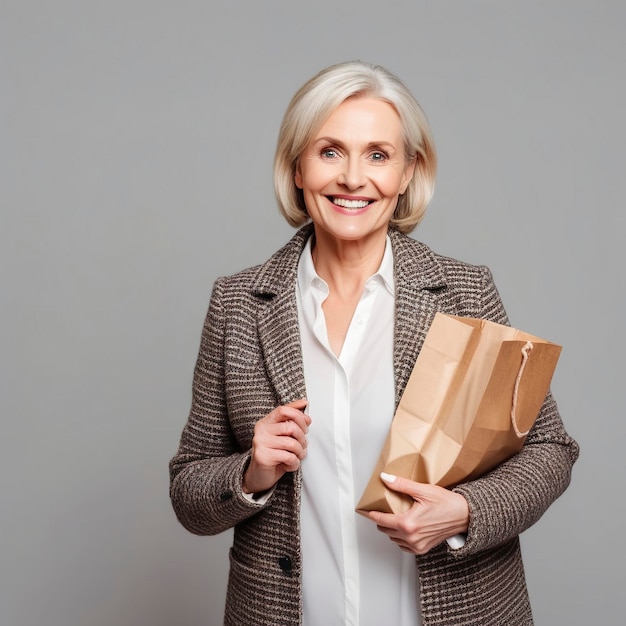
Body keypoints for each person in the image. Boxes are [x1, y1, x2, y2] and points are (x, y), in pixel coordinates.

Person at [169, 61, 579, 626]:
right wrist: (249, 473)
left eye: (378, 155)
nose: (353, 178)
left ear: (409, 171)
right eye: (330, 151)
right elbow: (189, 489)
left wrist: (463, 512)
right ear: (297, 168)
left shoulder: (463, 291)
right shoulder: (238, 304)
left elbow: (551, 451)